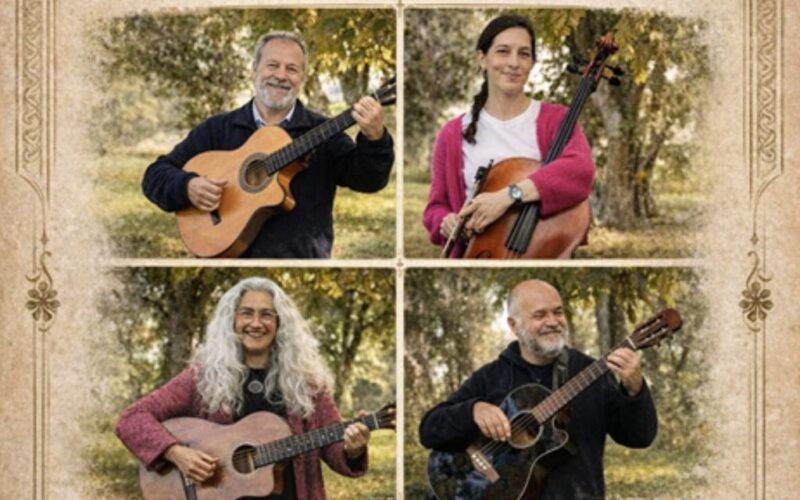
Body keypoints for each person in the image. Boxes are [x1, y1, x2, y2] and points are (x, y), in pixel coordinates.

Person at [142, 31, 395, 258]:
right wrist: (186, 186)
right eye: (272, 65)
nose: (281, 76)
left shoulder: (322, 131)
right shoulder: (217, 129)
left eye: (292, 69)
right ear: (254, 69)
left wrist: (376, 140)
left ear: (302, 79)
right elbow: (155, 175)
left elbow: (369, 180)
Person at [116, 277, 371, 499]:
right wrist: (175, 452)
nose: (256, 323)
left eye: (267, 314)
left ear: (280, 324)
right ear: (232, 320)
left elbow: (334, 451)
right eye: (247, 313)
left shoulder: (308, 384)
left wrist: (353, 449)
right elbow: (131, 420)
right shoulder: (201, 378)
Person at [418, 279, 657, 499]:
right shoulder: (492, 376)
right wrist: (473, 410)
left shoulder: (591, 371)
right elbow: (429, 429)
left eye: (558, 312)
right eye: (540, 315)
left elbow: (640, 437)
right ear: (514, 325)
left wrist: (634, 388)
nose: (552, 322)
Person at [422, 15, 594, 257]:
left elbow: (580, 170)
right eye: (503, 51)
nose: (514, 63)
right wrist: (446, 221)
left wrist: (508, 196)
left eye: (524, 54)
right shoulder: (451, 134)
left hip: (541, 251)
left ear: (532, 63)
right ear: (482, 59)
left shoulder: (556, 120)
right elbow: (435, 207)